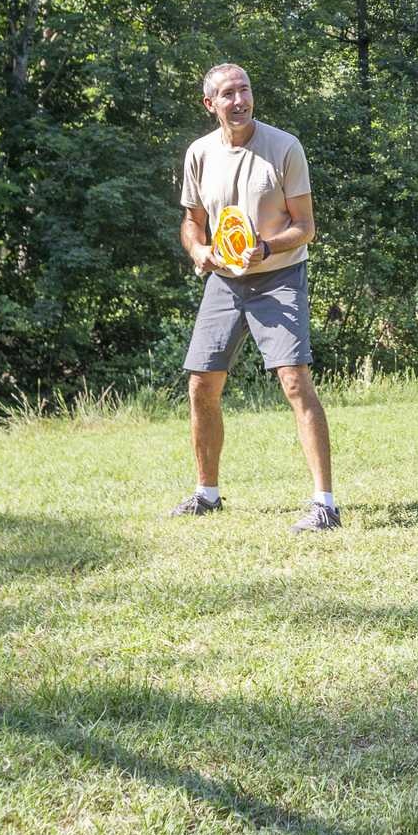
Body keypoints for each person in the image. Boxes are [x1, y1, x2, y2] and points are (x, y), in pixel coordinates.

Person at [169, 62, 339, 532]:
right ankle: (207, 493)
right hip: (223, 282)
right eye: (227, 94)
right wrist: (199, 249)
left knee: (294, 380)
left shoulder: (284, 147)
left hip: (279, 275)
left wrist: (263, 247)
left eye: (244, 90)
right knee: (202, 384)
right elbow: (191, 221)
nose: (239, 100)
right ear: (210, 105)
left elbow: (306, 227)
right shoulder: (199, 153)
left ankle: (324, 504)